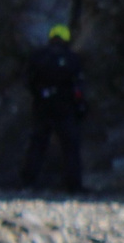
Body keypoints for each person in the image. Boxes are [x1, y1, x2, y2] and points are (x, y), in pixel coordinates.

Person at [21, 23, 86, 192]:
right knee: (70, 147)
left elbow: (28, 81)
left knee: (37, 144)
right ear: (66, 39)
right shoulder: (72, 58)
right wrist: (80, 106)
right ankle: (74, 185)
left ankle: (28, 182)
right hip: (65, 108)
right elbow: (77, 86)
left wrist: (39, 94)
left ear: (51, 38)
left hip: (42, 107)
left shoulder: (38, 56)